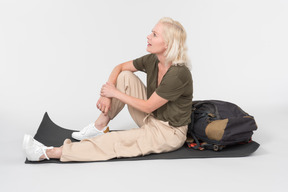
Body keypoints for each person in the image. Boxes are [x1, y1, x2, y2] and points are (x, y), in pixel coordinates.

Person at [23, 17, 193, 162]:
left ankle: (48, 153)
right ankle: (99, 126)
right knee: (125, 76)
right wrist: (106, 95)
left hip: (169, 132)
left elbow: (148, 106)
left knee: (114, 141)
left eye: (154, 35)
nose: (148, 36)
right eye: (151, 32)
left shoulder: (178, 73)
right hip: (153, 118)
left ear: (167, 44)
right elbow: (119, 67)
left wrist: (114, 93)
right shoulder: (153, 60)